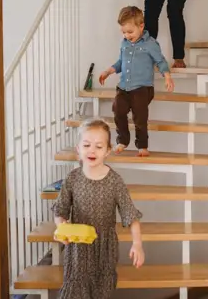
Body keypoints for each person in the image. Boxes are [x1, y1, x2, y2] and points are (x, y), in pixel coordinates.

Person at [52, 119, 144, 299]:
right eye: (86, 145)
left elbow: (130, 215)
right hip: (78, 249)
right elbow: (60, 211)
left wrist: (137, 244)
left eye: (99, 146)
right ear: (78, 149)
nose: (92, 150)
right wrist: (62, 229)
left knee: (101, 291)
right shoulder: (72, 179)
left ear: (108, 151)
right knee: (74, 292)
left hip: (104, 249)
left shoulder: (115, 181)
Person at [98, 6, 174, 157]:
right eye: (124, 32)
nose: (126, 35)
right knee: (117, 110)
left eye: (130, 32)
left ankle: (142, 145)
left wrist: (167, 76)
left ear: (141, 26)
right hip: (124, 87)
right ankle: (123, 140)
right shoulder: (124, 44)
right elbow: (121, 62)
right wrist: (108, 71)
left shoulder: (150, 44)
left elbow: (161, 61)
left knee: (140, 117)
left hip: (142, 88)